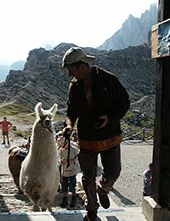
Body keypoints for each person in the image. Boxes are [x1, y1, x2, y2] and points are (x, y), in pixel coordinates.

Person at [61, 47, 130, 221]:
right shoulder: (74, 87)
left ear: (83, 66)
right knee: (88, 176)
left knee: (114, 172)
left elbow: (125, 102)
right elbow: (71, 111)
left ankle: (103, 189)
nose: (70, 75)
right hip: (87, 140)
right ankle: (91, 210)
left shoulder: (109, 80)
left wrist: (110, 117)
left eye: (72, 70)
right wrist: (69, 125)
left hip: (111, 136)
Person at [58, 132, 80, 208]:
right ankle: (65, 199)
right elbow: (59, 158)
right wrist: (61, 161)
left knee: (72, 186)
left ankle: (73, 198)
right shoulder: (61, 150)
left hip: (72, 171)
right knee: (64, 186)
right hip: (64, 172)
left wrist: (73, 161)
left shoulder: (74, 150)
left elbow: (78, 156)